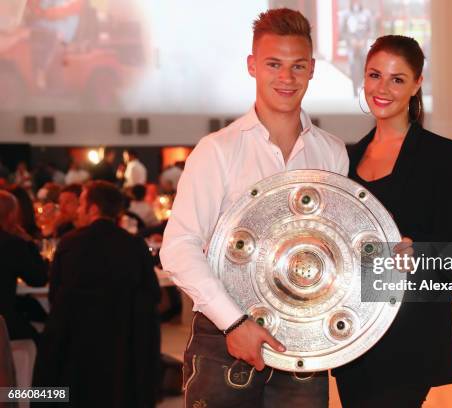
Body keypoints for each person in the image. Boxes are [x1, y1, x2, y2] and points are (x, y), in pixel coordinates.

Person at [160, 8, 348, 408]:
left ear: (312, 69)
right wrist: (235, 322)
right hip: (224, 338)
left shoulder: (331, 152)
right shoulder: (218, 150)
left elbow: (335, 249)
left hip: (304, 343)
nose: (287, 77)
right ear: (252, 66)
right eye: (274, 64)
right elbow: (178, 248)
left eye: (298, 66)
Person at [332, 35, 452, 408]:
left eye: (397, 79)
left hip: (411, 334)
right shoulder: (346, 159)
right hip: (355, 333)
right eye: (375, 75)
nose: (383, 88)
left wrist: (416, 249)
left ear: (417, 84)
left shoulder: (441, 155)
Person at [33, 181, 161, 407]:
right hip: (123, 347)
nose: (79, 211)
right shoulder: (134, 245)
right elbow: (151, 296)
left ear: (93, 209)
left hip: (75, 345)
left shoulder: (70, 242)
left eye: (81, 204)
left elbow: (55, 296)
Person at [0, 190, 48, 343]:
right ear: (12, 215)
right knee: (42, 343)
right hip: (4, 323)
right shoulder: (12, 244)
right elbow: (39, 278)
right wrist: (29, 243)